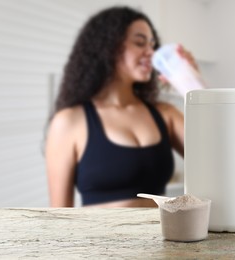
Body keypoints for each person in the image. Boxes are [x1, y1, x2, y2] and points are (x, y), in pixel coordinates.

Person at [45, 6, 200, 207]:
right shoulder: (69, 122)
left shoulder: (165, 114)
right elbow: (59, 215)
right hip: (100, 238)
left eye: (153, 45)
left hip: (163, 237)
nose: (151, 53)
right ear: (108, 46)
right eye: (139, 42)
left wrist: (192, 83)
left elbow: (217, 155)